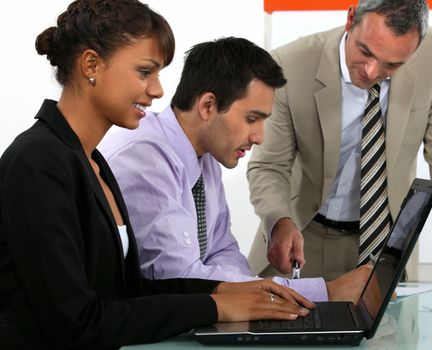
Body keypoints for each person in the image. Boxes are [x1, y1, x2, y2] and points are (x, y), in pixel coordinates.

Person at [0, 1, 313, 349]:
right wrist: (214, 305)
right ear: (91, 65)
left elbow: (128, 294)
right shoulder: (37, 162)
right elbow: (77, 323)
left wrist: (229, 292)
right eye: (145, 72)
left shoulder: (93, 162)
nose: (158, 90)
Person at [246, 0, 432, 282]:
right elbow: (268, 166)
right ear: (351, 19)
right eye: (365, 52)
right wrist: (279, 222)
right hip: (303, 238)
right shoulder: (290, 63)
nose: (372, 72)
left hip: (385, 244)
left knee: (391, 326)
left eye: (392, 64)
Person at [99, 37, 372, 305]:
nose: (259, 137)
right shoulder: (145, 158)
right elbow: (179, 279)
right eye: (252, 119)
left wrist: (260, 297)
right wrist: (322, 293)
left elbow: (222, 251)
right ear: (207, 106)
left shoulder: (204, 156)